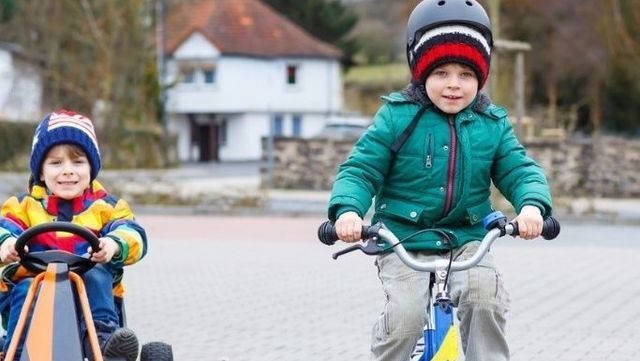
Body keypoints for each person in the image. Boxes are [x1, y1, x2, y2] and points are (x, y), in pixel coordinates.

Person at [327, 1, 553, 360]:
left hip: (466, 239)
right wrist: (348, 213)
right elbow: (360, 170)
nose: (453, 85)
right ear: (421, 73)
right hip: (401, 238)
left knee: (485, 297)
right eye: (441, 72)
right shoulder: (397, 116)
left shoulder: (491, 123)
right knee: (405, 316)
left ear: (481, 77)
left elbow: (518, 170)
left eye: (465, 74)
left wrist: (531, 206)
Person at [0, 109, 147, 361]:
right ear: (41, 171)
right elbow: (4, 226)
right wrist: (7, 243)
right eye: (56, 163)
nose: (68, 171)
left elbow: (133, 234)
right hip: (33, 287)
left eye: (77, 162)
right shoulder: (22, 206)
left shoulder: (107, 207)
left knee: (98, 274)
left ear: (91, 167)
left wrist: (112, 245)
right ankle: (16, 350)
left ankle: (103, 342)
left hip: (87, 296)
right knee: (25, 287)